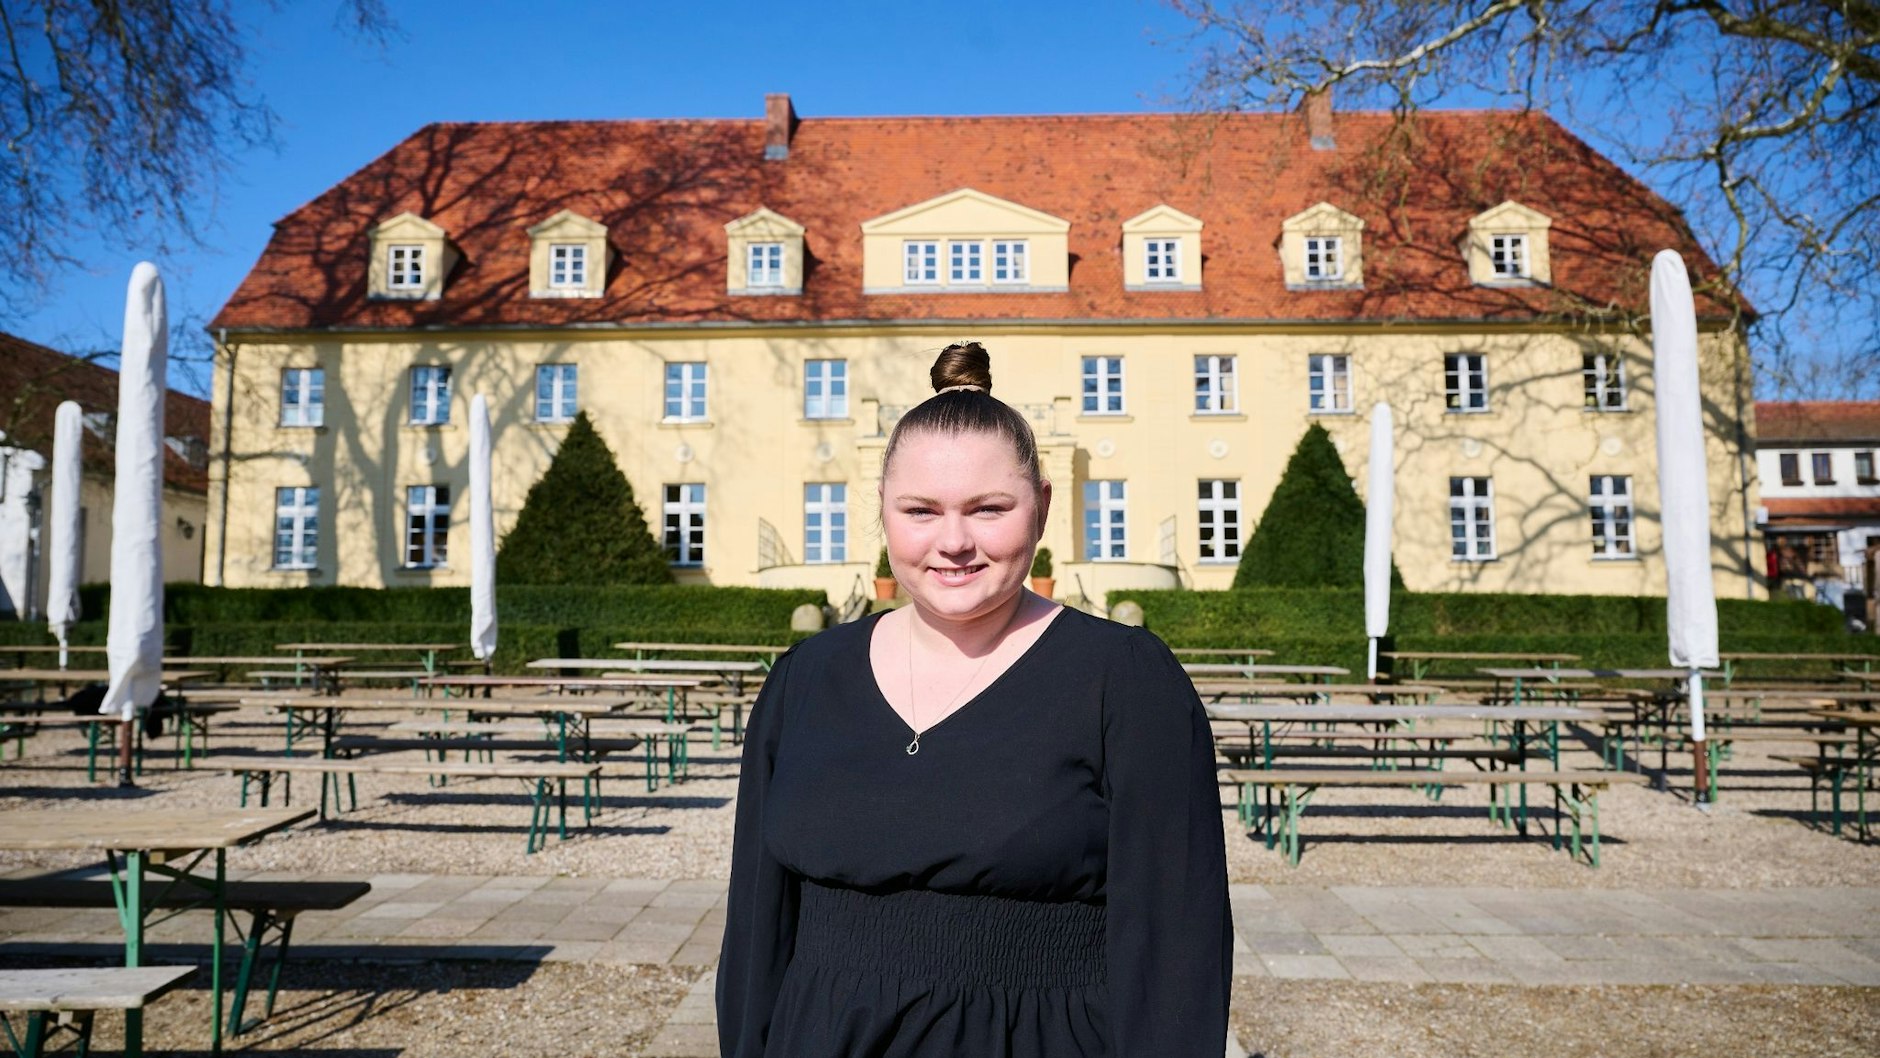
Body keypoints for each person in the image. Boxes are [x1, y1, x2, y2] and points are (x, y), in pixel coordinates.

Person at [717, 341, 1231, 1057]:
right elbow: (757, 929)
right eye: (921, 510)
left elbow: (1177, 942)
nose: (952, 542)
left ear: (1041, 507)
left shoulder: (1125, 680)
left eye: (989, 509)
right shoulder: (805, 678)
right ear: (884, 511)